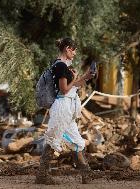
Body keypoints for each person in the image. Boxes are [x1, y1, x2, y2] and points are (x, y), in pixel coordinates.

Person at [35, 37, 95, 185]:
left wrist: (86, 77)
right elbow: (64, 89)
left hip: (68, 108)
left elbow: (73, 87)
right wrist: (75, 77)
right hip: (61, 107)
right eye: (73, 50)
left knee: (76, 140)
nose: (74, 53)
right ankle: (42, 176)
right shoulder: (60, 66)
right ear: (67, 49)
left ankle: (86, 174)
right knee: (53, 139)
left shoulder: (64, 66)